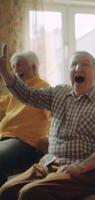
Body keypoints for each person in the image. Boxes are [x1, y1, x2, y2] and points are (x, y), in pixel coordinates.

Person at [0, 49, 95, 200]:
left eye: (85, 64)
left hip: (82, 170)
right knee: (6, 191)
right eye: (74, 65)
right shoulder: (58, 93)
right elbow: (28, 95)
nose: (78, 68)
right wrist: (6, 73)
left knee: (30, 193)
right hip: (49, 163)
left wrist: (80, 167)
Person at [0, 51, 50, 186]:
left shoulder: (43, 88)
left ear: (33, 67)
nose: (15, 70)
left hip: (25, 142)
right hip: (5, 138)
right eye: (13, 67)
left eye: (19, 65)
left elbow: (53, 116)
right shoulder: (14, 92)